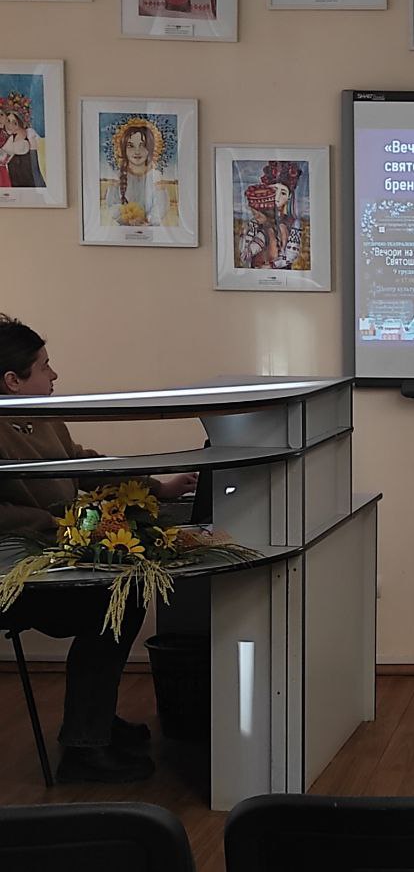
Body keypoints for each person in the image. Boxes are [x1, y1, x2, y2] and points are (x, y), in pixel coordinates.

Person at [0, 316, 198, 783]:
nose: (54, 375)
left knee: (123, 593)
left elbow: (83, 465)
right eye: (43, 367)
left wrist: (157, 487)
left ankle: (93, 723)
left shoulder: (43, 418)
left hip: (49, 558)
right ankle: (85, 746)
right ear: (12, 380)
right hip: (12, 573)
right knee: (112, 600)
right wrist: (52, 525)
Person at [105, 118, 172, 227]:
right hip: (124, 230)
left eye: (143, 145)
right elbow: (112, 204)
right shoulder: (117, 175)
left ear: (151, 148)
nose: (137, 151)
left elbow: (161, 205)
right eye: (131, 146)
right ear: (123, 149)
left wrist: (148, 220)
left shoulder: (155, 176)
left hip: (151, 230)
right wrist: (128, 218)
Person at [237, 161, 304, 270]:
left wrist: (272, 265)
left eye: (283, 193)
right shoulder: (256, 221)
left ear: (289, 197)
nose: (277, 198)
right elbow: (245, 251)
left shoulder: (293, 223)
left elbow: (291, 254)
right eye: (274, 190)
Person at [0, 92, 45, 189]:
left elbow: (35, 168)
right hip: (14, 187)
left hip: (31, 185)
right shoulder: (9, 140)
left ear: (22, 124)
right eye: (8, 121)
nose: (10, 125)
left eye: (14, 123)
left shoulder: (31, 138)